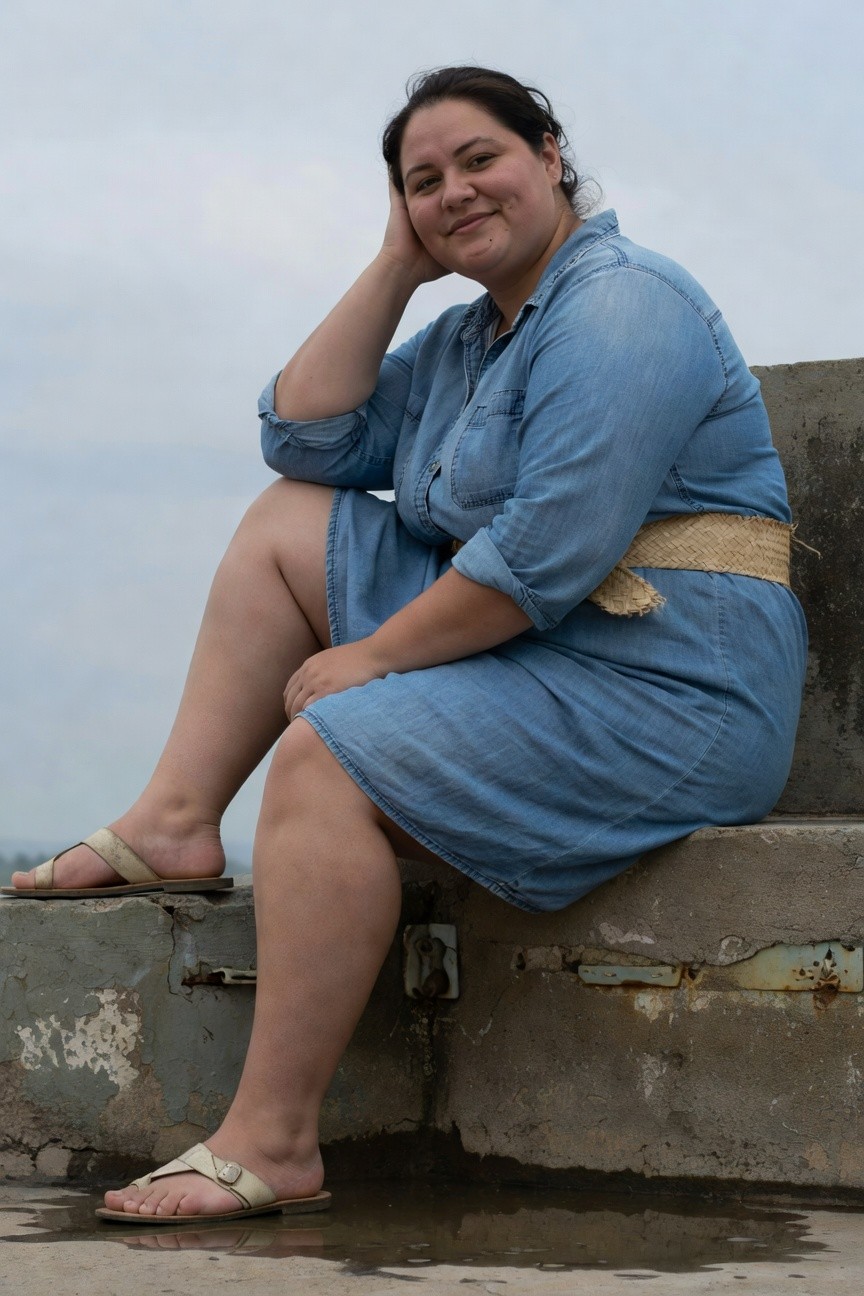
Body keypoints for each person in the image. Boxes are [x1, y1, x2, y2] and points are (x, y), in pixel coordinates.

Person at [4, 66, 807, 1222]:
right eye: (421, 182)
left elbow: (545, 553)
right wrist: (395, 265)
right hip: (540, 655)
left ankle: (273, 1142)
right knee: (287, 520)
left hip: (674, 685)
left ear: (549, 154)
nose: (455, 192)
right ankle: (174, 821)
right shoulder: (465, 340)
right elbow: (305, 430)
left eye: (481, 159)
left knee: (330, 750)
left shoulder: (628, 303)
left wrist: (371, 661)